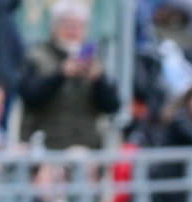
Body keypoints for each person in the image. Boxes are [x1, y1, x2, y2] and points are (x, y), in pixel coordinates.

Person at [18, 0, 121, 150]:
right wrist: (60, 74)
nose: (73, 31)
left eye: (78, 26)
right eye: (67, 25)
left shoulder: (94, 60)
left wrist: (99, 80)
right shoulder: (36, 55)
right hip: (48, 147)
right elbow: (30, 95)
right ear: (54, 27)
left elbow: (112, 106)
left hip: (88, 148)